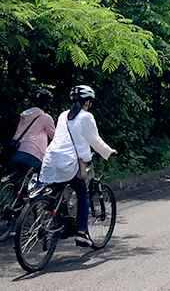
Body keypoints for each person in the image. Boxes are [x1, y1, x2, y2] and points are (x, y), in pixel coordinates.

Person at [39, 85, 116, 248]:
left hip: (51, 160)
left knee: (57, 192)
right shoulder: (86, 117)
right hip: (69, 162)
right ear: (87, 101)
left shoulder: (63, 115)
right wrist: (109, 152)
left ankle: (58, 223)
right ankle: (81, 232)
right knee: (82, 192)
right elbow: (95, 140)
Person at [8, 89, 56, 174]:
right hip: (33, 154)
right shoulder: (46, 118)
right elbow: (54, 137)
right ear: (47, 104)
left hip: (15, 151)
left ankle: (13, 186)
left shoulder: (24, 116)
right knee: (45, 173)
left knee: (19, 176)